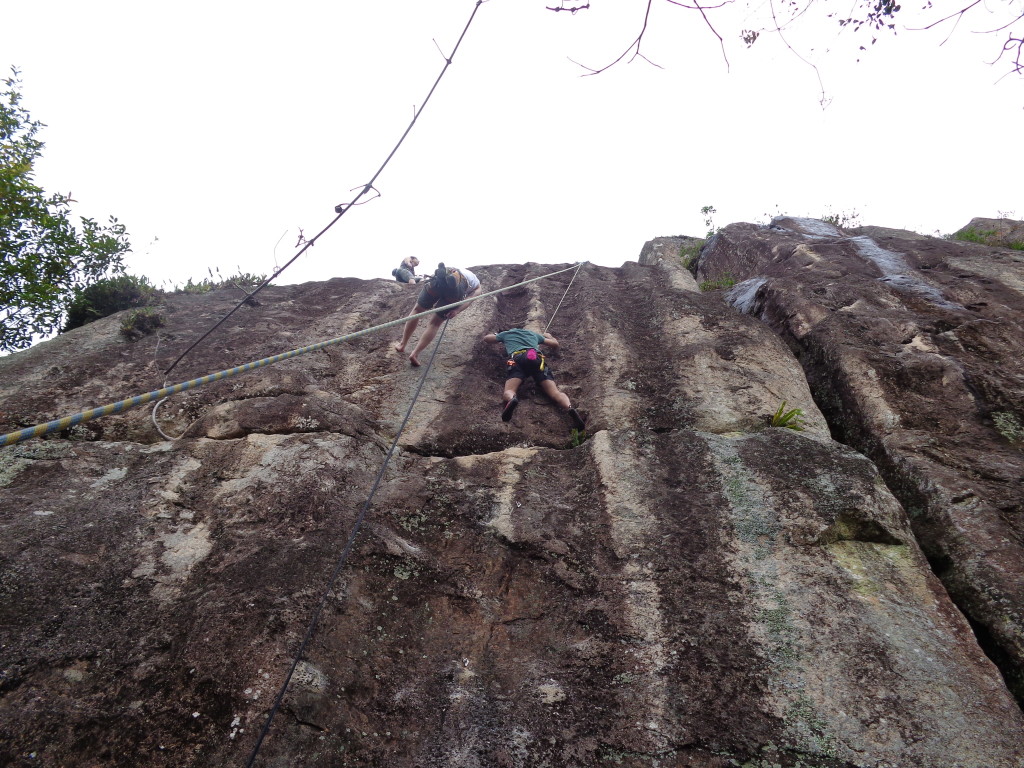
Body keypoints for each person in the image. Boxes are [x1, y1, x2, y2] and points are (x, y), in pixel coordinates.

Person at [483, 327, 586, 430]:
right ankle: (569, 407)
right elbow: (555, 344)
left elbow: (487, 339)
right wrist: (549, 336)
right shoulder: (533, 334)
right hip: (536, 359)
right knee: (555, 393)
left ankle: (512, 399)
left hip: (517, 359)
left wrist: (496, 334)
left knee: (509, 390)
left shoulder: (507, 334)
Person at [395, 263, 482, 366]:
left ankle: (402, 345)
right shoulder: (477, 286)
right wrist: (457, 310)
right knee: (435, 323)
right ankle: (414, 354)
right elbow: (470, 299)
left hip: (442, 277)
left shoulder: (463, 270)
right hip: (458, 289)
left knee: (417, 311)